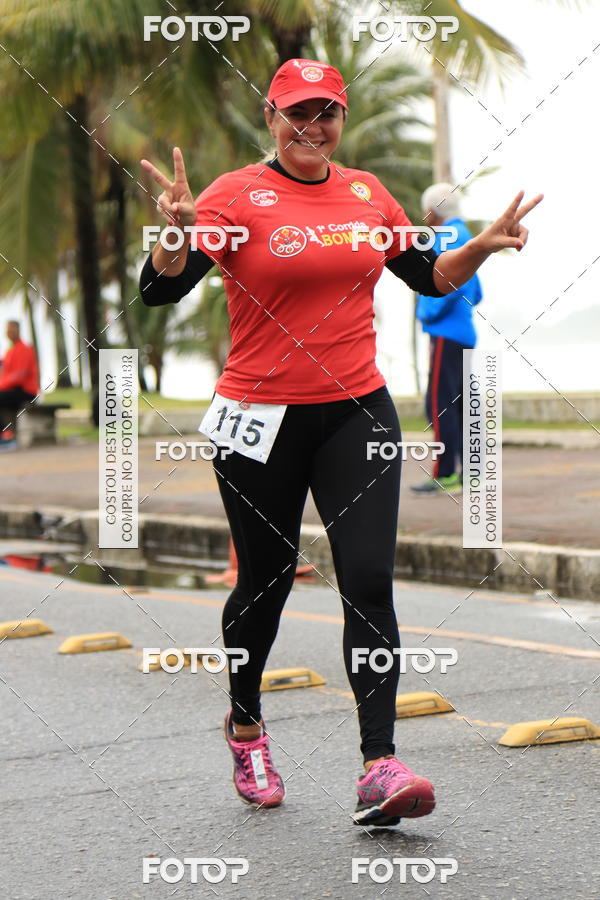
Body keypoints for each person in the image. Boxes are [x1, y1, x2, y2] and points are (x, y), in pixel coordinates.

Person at [139, 58, 542, 826]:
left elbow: (425, 276)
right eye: (298, 112)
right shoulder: (232, 195)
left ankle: (379, 765)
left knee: (368, 577)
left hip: (358, 410)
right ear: (270, 116)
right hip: (259, 418)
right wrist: (172, 237)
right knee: (265, 585)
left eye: (327, 112)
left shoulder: (366, 193)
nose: (312, 126)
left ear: (341, 119)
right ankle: (247, 724)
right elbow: (161, 287)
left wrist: (483, 246)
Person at [411, 184, 483, 495]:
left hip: (444, 333)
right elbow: (476, 290)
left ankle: (446, 472)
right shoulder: (467, 236)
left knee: (439, 404)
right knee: (464, 403)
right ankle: (472, 471)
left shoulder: (446, 238)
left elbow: (445, 283)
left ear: (433, 211)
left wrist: (426, 313)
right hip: (464, 332)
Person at [0, 320, 39, 445]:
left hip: (26, 391)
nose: (9, 332)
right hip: (13, 391)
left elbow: (19, 377)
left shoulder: (25, 349)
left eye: (12, 329)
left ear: (18, 330)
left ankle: (5, 437)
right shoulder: (9, 351)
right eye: (8, 330)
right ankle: (7, 435)